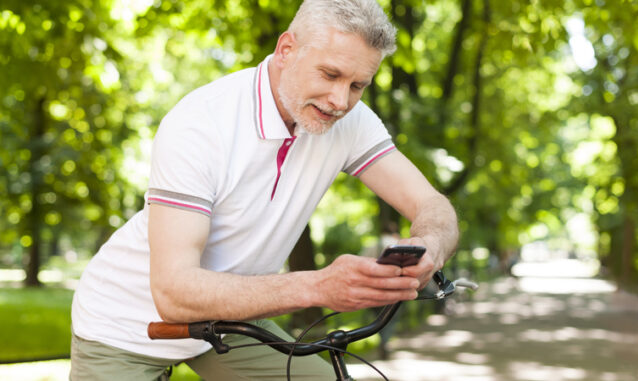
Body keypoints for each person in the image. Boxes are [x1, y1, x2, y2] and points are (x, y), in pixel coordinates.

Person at [70, 0, 459, 379]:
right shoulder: (200, 123)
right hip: (127, 325)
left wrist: (432, 248)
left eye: (358, 85)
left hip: (229, 319)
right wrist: (320, 286)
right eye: (329, 74)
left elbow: (431, 204)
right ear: (287, 49)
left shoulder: (351, 121)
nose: (341, 101)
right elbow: (172, 294)